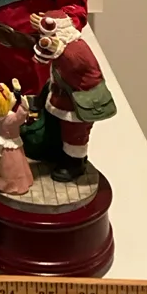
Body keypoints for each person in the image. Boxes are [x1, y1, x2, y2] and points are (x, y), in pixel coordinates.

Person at [32, 13, 117, 182]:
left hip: (77, 103)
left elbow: (82, 68)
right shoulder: (62, 51)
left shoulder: (75, 51)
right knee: (61, 130)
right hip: (62, 98)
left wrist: (58, 50)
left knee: (75, 135)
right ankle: (61, 155)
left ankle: (74, 164)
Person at [0, 81, 33, 195]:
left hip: (1, 144)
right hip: (11, 147)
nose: (12, 95)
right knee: (13, 166)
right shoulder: (10, 118)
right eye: (9, 95)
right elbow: (20, 118)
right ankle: (12, 185)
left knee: (1, 165)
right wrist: (24, 107)